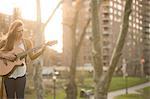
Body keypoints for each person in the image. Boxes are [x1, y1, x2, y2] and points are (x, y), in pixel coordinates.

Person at [0, 19, 46, 99]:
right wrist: (6, 56)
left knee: (20, 97)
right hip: (8, 74)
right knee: (10, 97)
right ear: (13, 31)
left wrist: (41, 51)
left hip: (21, 74)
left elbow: (32, 57)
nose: (21, 33)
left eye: (22, 30)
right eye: (18, 31)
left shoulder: (27, 42)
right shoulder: (5, 42)